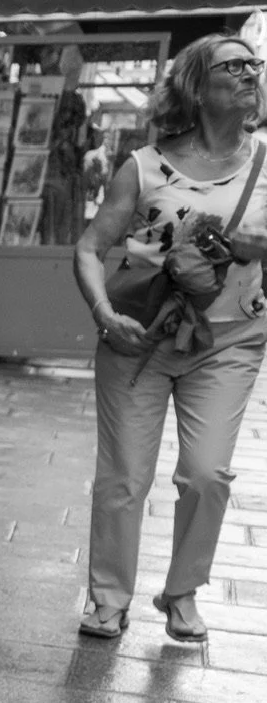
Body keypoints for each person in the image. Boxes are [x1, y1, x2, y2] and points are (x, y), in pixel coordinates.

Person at [72, 33, 267, 642]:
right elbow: (87, 248)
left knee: (207, 474)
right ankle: (108, 597)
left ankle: (182, 592)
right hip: (142, 340)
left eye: (254, 65)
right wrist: (105, 313)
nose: (250, 73)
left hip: (229, 341)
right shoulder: (144, 165)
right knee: (125, 476)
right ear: (195, 86)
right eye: (233, 66)